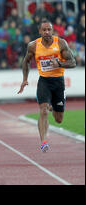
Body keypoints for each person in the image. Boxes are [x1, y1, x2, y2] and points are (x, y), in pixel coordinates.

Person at [18, 20, 76, 152]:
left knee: (58, 119)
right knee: (43, 110)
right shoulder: (33, 46)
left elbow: (73, 62)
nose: (47, 32)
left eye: (49, 29)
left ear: (52, 30)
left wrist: (60, 64)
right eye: (44, 30)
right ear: (40, 32)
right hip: (44, 81)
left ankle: (52, 106)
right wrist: (25, 79)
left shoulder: (60, 43)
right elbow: (26, 61)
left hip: (58, 82)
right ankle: (44, 141)